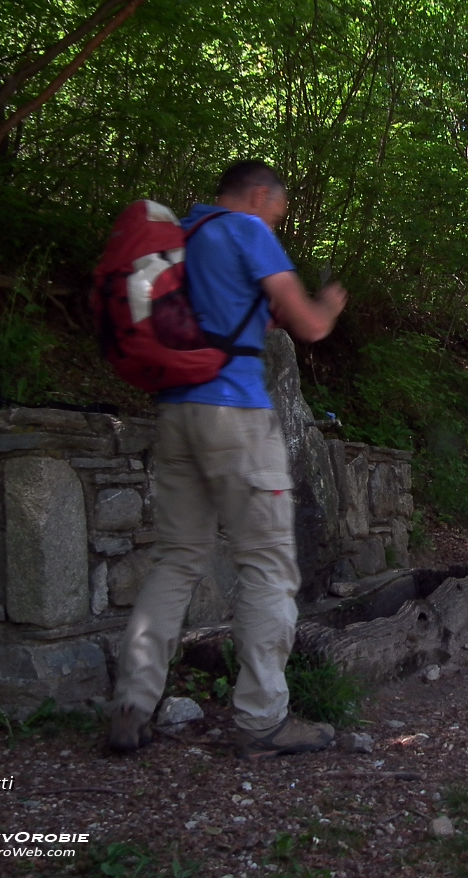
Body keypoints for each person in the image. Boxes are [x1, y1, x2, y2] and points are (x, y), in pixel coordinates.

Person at [108, 160, 347, 757]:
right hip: (235, 413)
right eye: (279, 208)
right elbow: (310, 325)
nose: (279, 219)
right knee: (267, 565)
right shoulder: (247, 231)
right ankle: (262, 720)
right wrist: (332, 303)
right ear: (260, 194)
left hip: (176, 414)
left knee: (174, 560)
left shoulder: (184, 239)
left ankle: (133, 705)